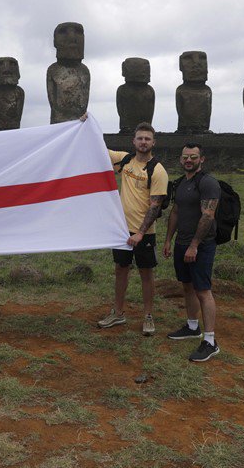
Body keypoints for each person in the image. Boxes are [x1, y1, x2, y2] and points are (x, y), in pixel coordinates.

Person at [97, 122, 169, 335]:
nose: (143, 142)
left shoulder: (158, 170)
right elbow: (98, 148)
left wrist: (140, 233)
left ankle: (148, 316)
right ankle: (118, 312)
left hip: (144, 233)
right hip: (121, 230)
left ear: (153, 142)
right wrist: (86, 124)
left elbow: (155, 206)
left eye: (147, 139)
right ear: (134, 141)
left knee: (146, 273)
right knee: (121, 270)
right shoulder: (125, 160)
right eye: (140, 138)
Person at [163, 143, 221, 362]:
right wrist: (169, 239)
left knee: (203, 290)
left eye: (193, 157)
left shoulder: (207, 183)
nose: (189, 160)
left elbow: (208, 216)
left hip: (201, 245)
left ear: (202, 159)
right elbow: (176, 212)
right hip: (182, 243)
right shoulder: (181, 183)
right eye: (186, 157)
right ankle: (192, 326)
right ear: (180, 159)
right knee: (187, 285)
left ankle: (210, 340)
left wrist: (194, 245)